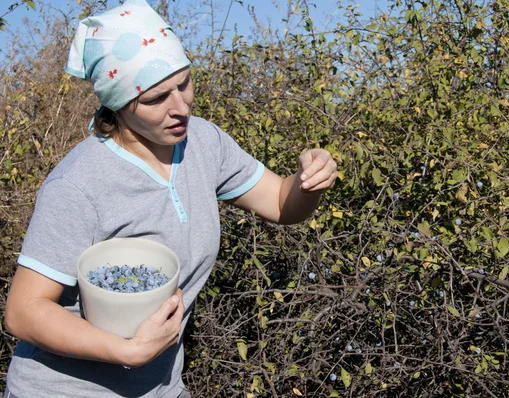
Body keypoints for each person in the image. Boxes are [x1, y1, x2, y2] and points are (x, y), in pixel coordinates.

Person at [2, 0, 337, 397]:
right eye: (156, 98)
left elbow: (282, 203)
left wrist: (309, 179)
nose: (181, 107)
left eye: (184, 84)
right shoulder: (78, 184)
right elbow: (23, 312)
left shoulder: (204, 144)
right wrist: (127, 350)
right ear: (119, 106)